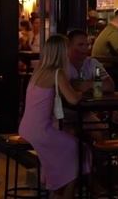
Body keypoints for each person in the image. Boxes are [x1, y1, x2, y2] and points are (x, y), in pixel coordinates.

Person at [18, 35, 83, 199]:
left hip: (26, 128)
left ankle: (55, 190)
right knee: (78, 149)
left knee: (71, 147)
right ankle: (61, 192)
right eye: (68, 48)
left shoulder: (38, 71)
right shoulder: (58, 73)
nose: (70, 51)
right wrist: (82, 91)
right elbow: (73, 99)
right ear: (62, 51)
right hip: (41, 132)